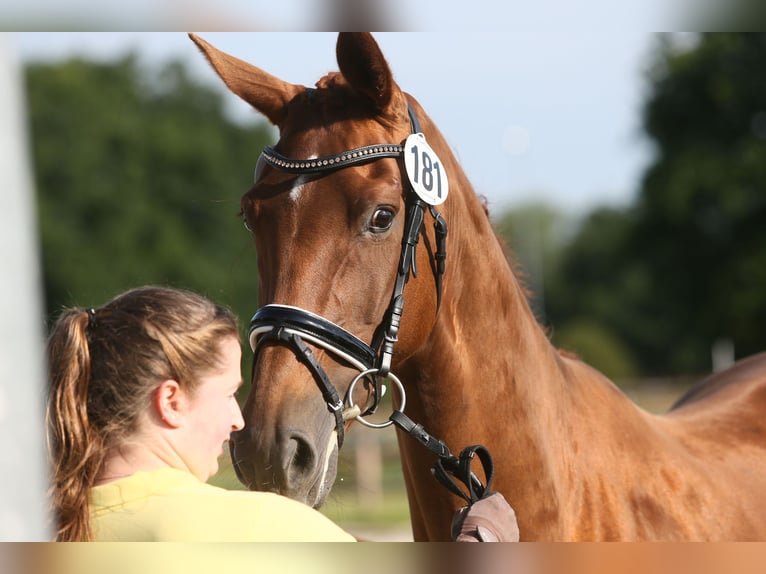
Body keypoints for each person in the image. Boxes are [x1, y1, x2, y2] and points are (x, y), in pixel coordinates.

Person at [46, 285, 518, 542]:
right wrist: (485, 542)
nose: (237, 419)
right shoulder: (258, 531)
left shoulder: (42, 530)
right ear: (170, 401)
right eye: (229, 393)